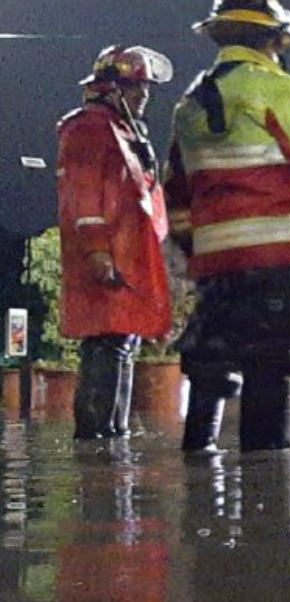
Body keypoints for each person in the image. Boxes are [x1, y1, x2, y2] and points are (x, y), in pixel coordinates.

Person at [165, 0, 290, 452]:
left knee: (210, 361)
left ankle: (199, 472)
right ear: (273, 41)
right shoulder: (278, 87)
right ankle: (269, 493)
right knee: (273, 363)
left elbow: (175, 191)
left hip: (213, 264)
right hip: (274, 257)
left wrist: (198, 253)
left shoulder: (188, 106)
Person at [57, 46, 174, 439]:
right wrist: (98, 252)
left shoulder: (122, 131)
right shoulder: (88, 129)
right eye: (136, 87)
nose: (145, 96)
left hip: (128, 258)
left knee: (123, 344)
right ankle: (95, 442)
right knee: (105, 347)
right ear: (111, 89)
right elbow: (83, 195)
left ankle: (113, 434)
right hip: (107, 259)